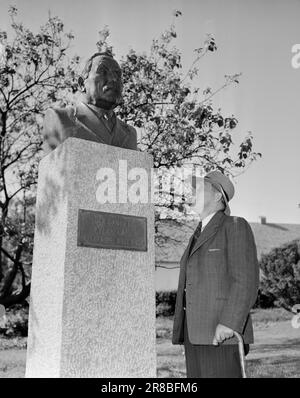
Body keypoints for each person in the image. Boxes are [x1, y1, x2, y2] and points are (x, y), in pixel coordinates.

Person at [172, 170, 259, 378]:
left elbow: (246, 280)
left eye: (199, 189)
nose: (191, 193)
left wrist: (229, 322)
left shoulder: (235, 226)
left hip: (222, 336)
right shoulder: (196, 233)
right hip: (194, 337)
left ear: (217, 195)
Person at [42, 51, 137, 153]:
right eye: (103, 71)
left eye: (118, 75)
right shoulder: (60, 118)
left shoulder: (130, 133)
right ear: (82, 84)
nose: (113, 79)